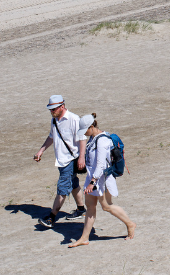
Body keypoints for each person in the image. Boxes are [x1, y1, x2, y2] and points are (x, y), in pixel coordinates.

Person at [68, 113, 136, 247]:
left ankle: (130, 224)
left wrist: (92, 182)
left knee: (107, 206)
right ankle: (84, 238)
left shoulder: (102, 141)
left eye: (86, 130)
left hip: (101, 179)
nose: (85, 134)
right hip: (92, 177)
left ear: (92, 126)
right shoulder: (93, 138)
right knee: (90, 206)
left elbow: (101, 164)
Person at [33, 95, 86, 227]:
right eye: (50, 110)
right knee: (73, 184)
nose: (52, 112)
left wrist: (81, 157)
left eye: (54, 109)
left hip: (70, 160)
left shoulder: (74, 119)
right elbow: (52, 137)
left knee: (62, 189)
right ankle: (81, 210)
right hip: (61, 160)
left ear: (62, 106)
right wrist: (41, 151)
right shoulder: (54, 120)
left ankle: (51, 218)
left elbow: (83, 139)